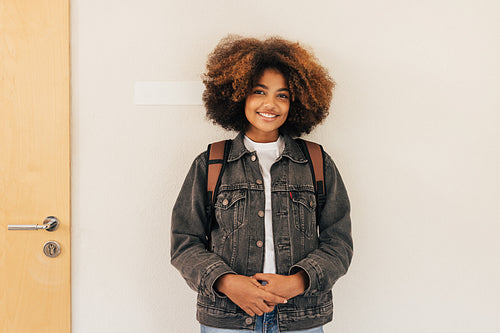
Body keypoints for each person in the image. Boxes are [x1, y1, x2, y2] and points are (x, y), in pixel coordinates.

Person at [171, 35, 353, 333]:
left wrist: (298, 281)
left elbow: (339, 242)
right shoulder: (212, 162)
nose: (270, 104)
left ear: (297, 101)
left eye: (282, 95)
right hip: (228, 319)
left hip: (299, 318)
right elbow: (184, 242)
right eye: (259, 91)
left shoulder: (316, 163)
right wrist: (228, 283)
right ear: (238, 94)